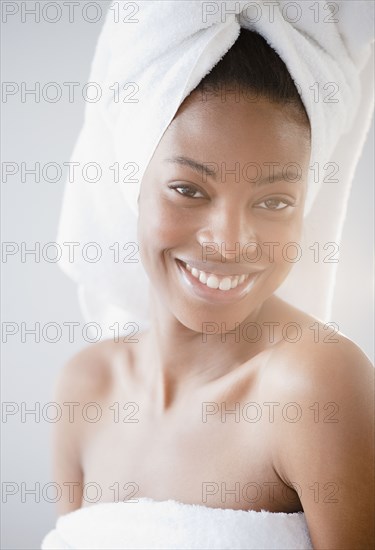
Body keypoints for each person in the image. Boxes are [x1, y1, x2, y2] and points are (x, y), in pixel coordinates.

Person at [46, 28, 374, 550]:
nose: (229, 242)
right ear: (132, 184)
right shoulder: (85, 388)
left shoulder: (314, 387)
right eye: (188, 190)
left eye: (273, 202)